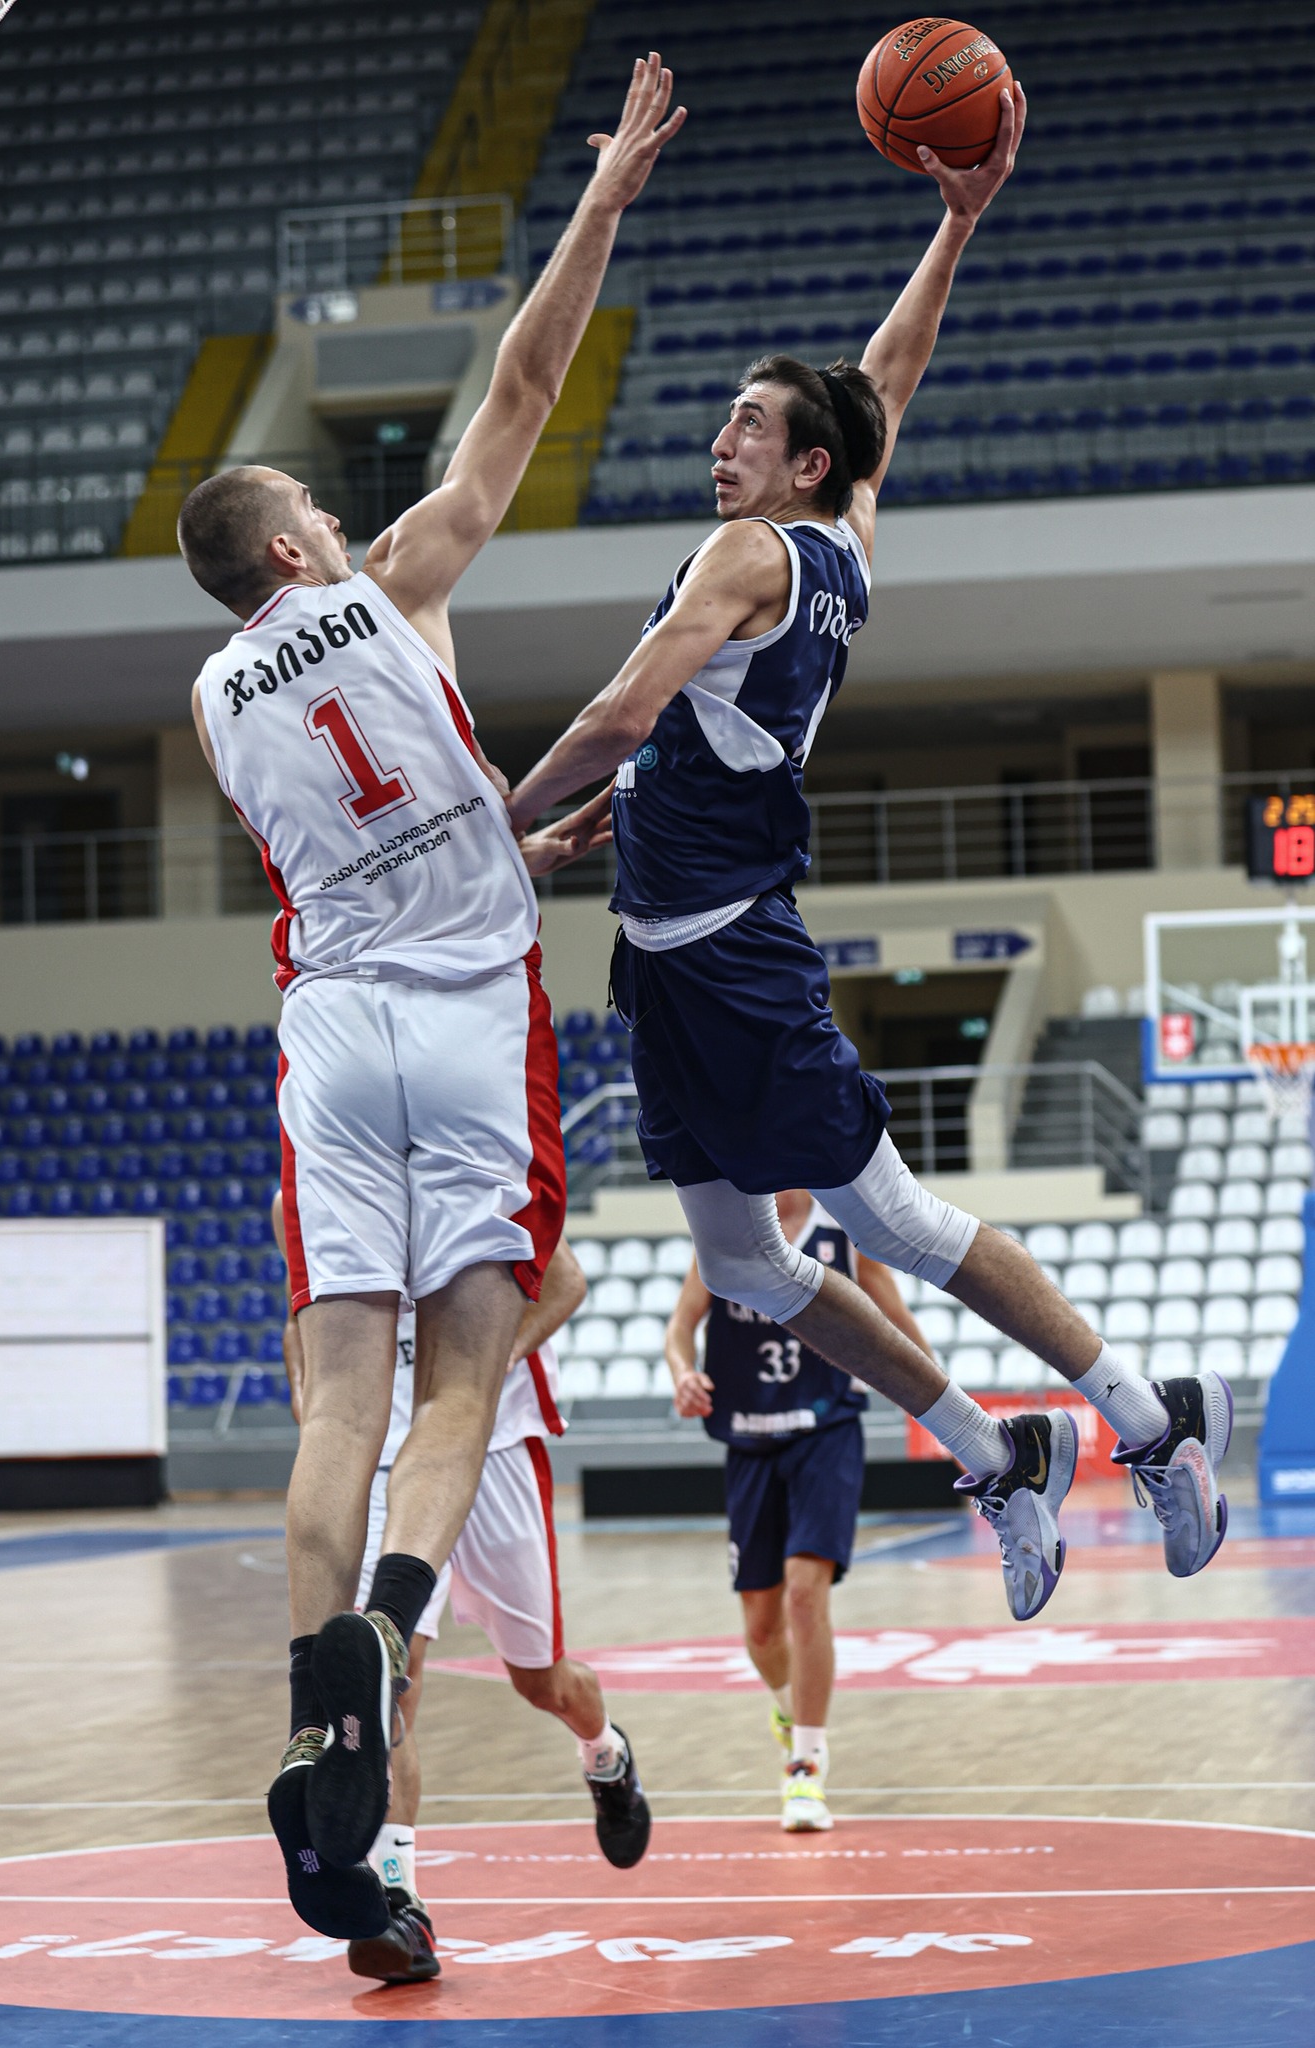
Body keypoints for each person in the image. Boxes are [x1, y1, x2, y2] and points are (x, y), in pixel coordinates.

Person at [505, 83, 1232, 1623]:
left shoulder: (746, 553)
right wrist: (954, 224)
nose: (721, 439)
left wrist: (482, 823)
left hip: (735, 956)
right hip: (665, 964)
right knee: (750, 1272)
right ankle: (995, 1452)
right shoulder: (842, 535)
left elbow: (624, 709)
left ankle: (1150, 1419)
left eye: (750, 425)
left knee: (895, 1219)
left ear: (804, 466)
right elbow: (884, 382)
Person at [177, 55, 686, 1942]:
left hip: (331, 1027)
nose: (338, 515)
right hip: (472, 1017)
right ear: (295, 548)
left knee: (342, 1398)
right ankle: (391, 1631)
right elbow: (522, 393)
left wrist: (498, 833)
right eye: (315, 506)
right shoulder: (393, 586)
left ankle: (322, 1697)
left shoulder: (214, 703)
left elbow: (360, 840)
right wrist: (600, 199)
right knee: (468, 1368)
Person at [272, 1196, 651, 1986]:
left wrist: (486, 1362)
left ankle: (606, 1756)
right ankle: (399, 1903)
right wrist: (312, 1403)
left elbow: (565, 1282)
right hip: (382, 1453)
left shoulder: (471, 1164)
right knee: (385, 1675)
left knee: (542, 1682)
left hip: (492, 1444)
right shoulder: (305, 1191)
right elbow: (300, 1317)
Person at [664, 1190, 933, 1833]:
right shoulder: (723, 1227)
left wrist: (943, 1408)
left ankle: (806, 1764)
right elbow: (680, 1327)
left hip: (826, 1432)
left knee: (806, 1595)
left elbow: (895, 1319)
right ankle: (788, 1710)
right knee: (761, 1628)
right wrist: (682, 1372)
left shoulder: (842, 1230)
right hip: (748, 1439)